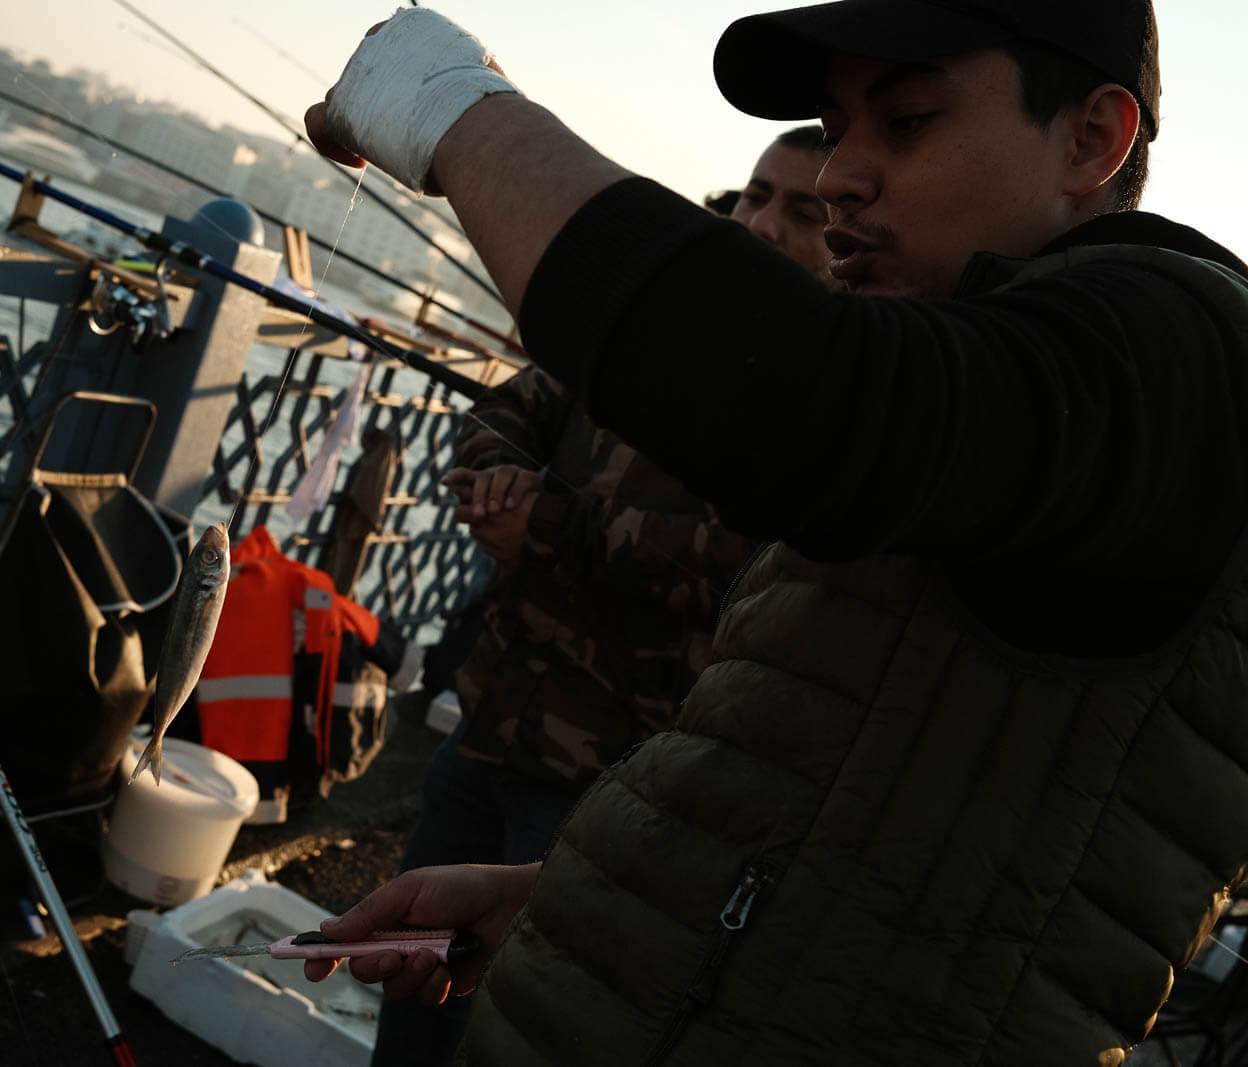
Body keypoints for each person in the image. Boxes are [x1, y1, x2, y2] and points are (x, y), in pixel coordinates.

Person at [301, 2, 1248, 1065]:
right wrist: (571, 897)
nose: (841, 173)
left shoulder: (1183, 351)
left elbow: (806, 403)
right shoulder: (987, 418)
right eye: (839, 127)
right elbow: (850, 809)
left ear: (1092, 139)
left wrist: (452, 110)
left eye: (905, 122)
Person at [376, 126, 831, 1067]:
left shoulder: (825, 408)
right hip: (492, 722)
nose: (765, 224)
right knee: (405, 975)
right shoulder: (652, 339)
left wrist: (547, 525)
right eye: (757, 195)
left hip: (608, 792)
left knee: (507, 1024)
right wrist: (499, 472)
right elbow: (509, 409)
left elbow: (737, 566)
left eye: (806, 210)